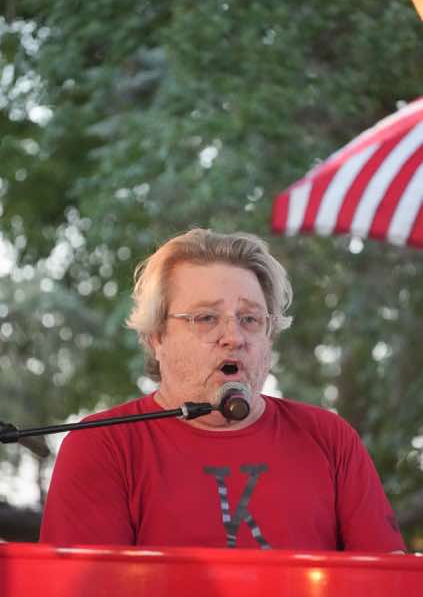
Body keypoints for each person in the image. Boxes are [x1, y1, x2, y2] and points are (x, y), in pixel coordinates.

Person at [40, 228, 405, 551]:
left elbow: (386, 587)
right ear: (156, 337)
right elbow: (85, 594)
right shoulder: (102, 446)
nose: (233, 337)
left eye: (250, 319)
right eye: (206, 318)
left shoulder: (331, 440)